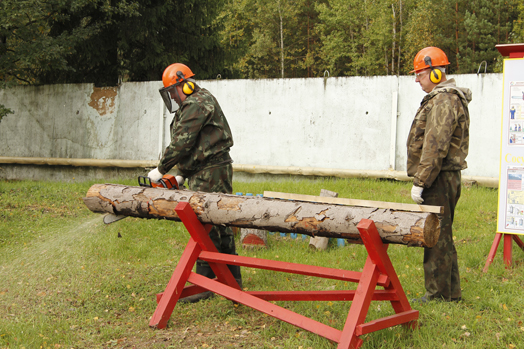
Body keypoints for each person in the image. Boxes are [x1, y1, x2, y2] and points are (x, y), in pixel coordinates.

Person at [148, 63, 242, 303]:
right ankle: (230, 278)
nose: (172, 97)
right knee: (216, 221)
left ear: (183, 84)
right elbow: (199, 146)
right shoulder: (197, 101)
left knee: (207, 221)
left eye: (172, 92)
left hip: (212, 171)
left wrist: (160, 169)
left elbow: (183, 142)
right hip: (206, 169)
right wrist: (181, 173)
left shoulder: (196, 103)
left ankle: (207, 284)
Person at [406, 47, 471, 303]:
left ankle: (437, 295)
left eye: (420, 74)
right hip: (441, 177)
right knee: (442, 235)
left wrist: (421, 182)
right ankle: (450, 293)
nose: (416, 79)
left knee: (435, 237)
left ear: (435, 73)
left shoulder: (444, 100)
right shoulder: (442, 98)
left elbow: (435, 145)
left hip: (438, 178)